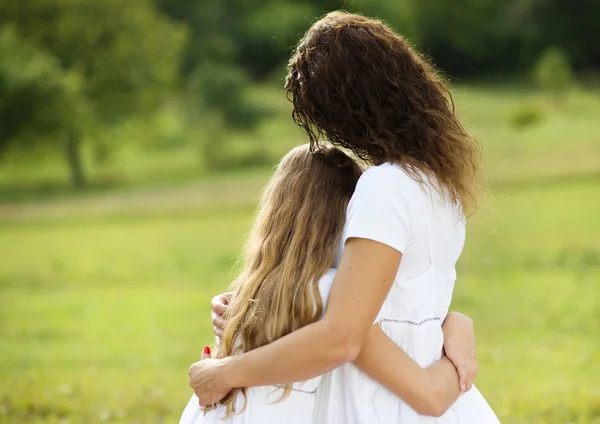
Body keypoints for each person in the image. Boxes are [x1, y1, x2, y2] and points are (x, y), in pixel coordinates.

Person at [189, 11, 500, 424]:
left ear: (348, 110)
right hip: (427, 394)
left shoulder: (385, 187)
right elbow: (398, 301)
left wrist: (223, 373)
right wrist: (257, 304)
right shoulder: (438, 186)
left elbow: (341, 336)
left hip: (375, 404)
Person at [180, 145, 476, 423]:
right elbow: (431, 396)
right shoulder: (328, 294)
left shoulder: (253, 292)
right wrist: (455, 338)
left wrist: (452, 320)